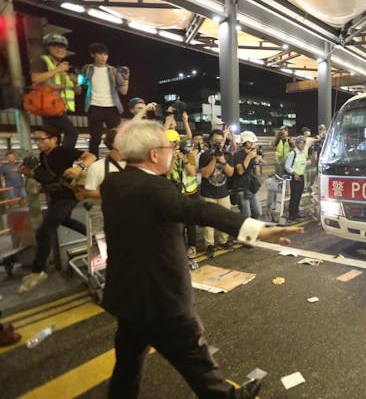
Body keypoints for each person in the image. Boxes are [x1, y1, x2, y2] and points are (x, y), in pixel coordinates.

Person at [100, 120, 302, 399]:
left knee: (127, 369)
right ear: (154, 155)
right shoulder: (155, 189)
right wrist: (257, 230)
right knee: (199, 367)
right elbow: (198, 211)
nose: (174, 152)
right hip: (162, 301)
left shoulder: (113, 183)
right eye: (169, 147)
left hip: (127, 297)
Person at [17, 125, 96, 293]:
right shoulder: (43, 156)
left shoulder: (63, 151)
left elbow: (91, 156)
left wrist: (78, 168)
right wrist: (27, 172)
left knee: (43, 232)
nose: (37, 143)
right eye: (35, 140)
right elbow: (45, 177)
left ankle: (38, 271)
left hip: (67, 197)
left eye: (41, 139)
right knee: (66, 221)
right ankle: (94, 239)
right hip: (55, 198)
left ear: (54, 139)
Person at [30, 33, 80, 149]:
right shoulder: (42, 61)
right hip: (49, 107)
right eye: (55, 46)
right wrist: (58, 69)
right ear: (48, 47)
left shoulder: (68, 67)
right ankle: (63, 158)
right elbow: (35, 79)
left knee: (53, 139)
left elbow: (78, 91)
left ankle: (52, 161)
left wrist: (75, 82)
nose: (60, 49)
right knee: (72, 133)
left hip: (60, 108)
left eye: (62, 47)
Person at [80, 42, 130, 157]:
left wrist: (126, 78)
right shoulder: (87, 69)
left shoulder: (113, 70)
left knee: (117, 137)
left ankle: (118, 159)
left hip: (112, 107)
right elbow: (80, 84)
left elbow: (123, 91)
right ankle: (92, 162)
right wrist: (76, 80)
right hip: (94, 106)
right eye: (100, 54)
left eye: (105, 54)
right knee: (95, 139)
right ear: (93, 54)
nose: (103, 57)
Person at [199, 129, 235, 257]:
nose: (218, 144)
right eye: (215, 141)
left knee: (225, 218)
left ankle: (223, 241)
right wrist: (214, 159)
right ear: (210, 141)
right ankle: (210, 245)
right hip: (208, 193)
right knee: (209, 221)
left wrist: (223, 160)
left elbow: (230, 173)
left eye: (220, 141)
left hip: (223, 193)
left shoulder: (227, 155)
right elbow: (205, 174)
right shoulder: (205, 156)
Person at [166, 129, 199, 259]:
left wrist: (183, 159)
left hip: (190, 193)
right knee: (178, 224)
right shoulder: (165, 156)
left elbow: (192, 172)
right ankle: (179, 247)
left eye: (170, 142)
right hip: (175, 194)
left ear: (176, 143)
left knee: (191, 224)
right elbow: (166, 172)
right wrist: (171, 160)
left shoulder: (188, 154)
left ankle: (192, 246)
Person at [82, 129, 126, 200]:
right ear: (113, 144)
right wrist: (114, 196)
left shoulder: (140, 164)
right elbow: (89, 192)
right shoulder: (96, 167)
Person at [233, 131, 263, 219]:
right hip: (242, 188)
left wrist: (257, 162)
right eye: (252, 142)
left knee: (258, 212)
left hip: (251, 188)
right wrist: (248, 157)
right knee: (246, 216)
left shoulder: (252, 154)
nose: (254, 144)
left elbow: (256, 172)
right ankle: (246, 232)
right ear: (246, 142)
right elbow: (240, 171)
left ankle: (255, 231)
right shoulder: (238, 155)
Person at [285, 136, 307, 221]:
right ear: (297, 143)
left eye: (304, 143)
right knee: (294, 196)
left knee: (299, 196)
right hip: (295, 177)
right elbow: (287, 166)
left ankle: (296, 213)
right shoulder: (293, 153)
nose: (303, 145)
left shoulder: (302, 153)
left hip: (301, 176)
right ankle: (292, 215)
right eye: (301, 143)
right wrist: (294, 173)